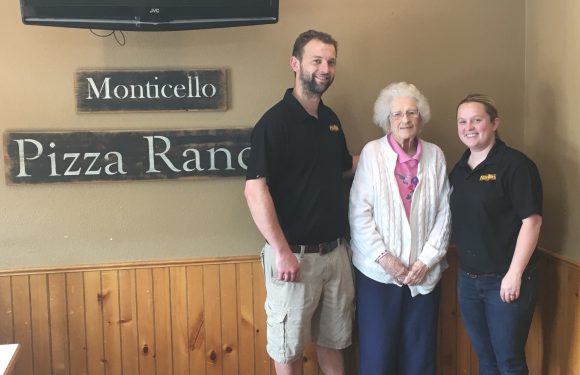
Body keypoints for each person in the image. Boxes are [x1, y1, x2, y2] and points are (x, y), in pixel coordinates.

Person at [244, 30, 357, 375]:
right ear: (295, 64)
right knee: (288, 349)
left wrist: (390, 152)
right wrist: (281, 251)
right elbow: (254, 190)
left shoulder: (331, 120)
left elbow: (345, 167)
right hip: (293, 258)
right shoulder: (273, 123)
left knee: (335, 343)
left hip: (336, 255)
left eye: (331, 62)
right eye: (317, 60)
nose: (325, 68)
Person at [349, 82, 451, 374]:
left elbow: (445, 213)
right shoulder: (372, 153)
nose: (405, 120)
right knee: (377, 356)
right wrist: (386, 259)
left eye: (411, 112)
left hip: (424, 276)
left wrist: (426, 261)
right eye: (397, 114)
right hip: (378, 276)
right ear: (387, 120)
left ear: (421, 117)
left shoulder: (436, 156)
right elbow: (359, 213)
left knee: (420, 358)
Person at [449, 94, 543, 375]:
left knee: (509, 361)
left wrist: (514, 274)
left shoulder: (515, 165)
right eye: (462, 121)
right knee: (486, 359)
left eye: (477, 120)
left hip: (506, 280)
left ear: (494, 123)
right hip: (468, 281)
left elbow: (532, 221)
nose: (469, 127)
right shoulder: (459, 170)